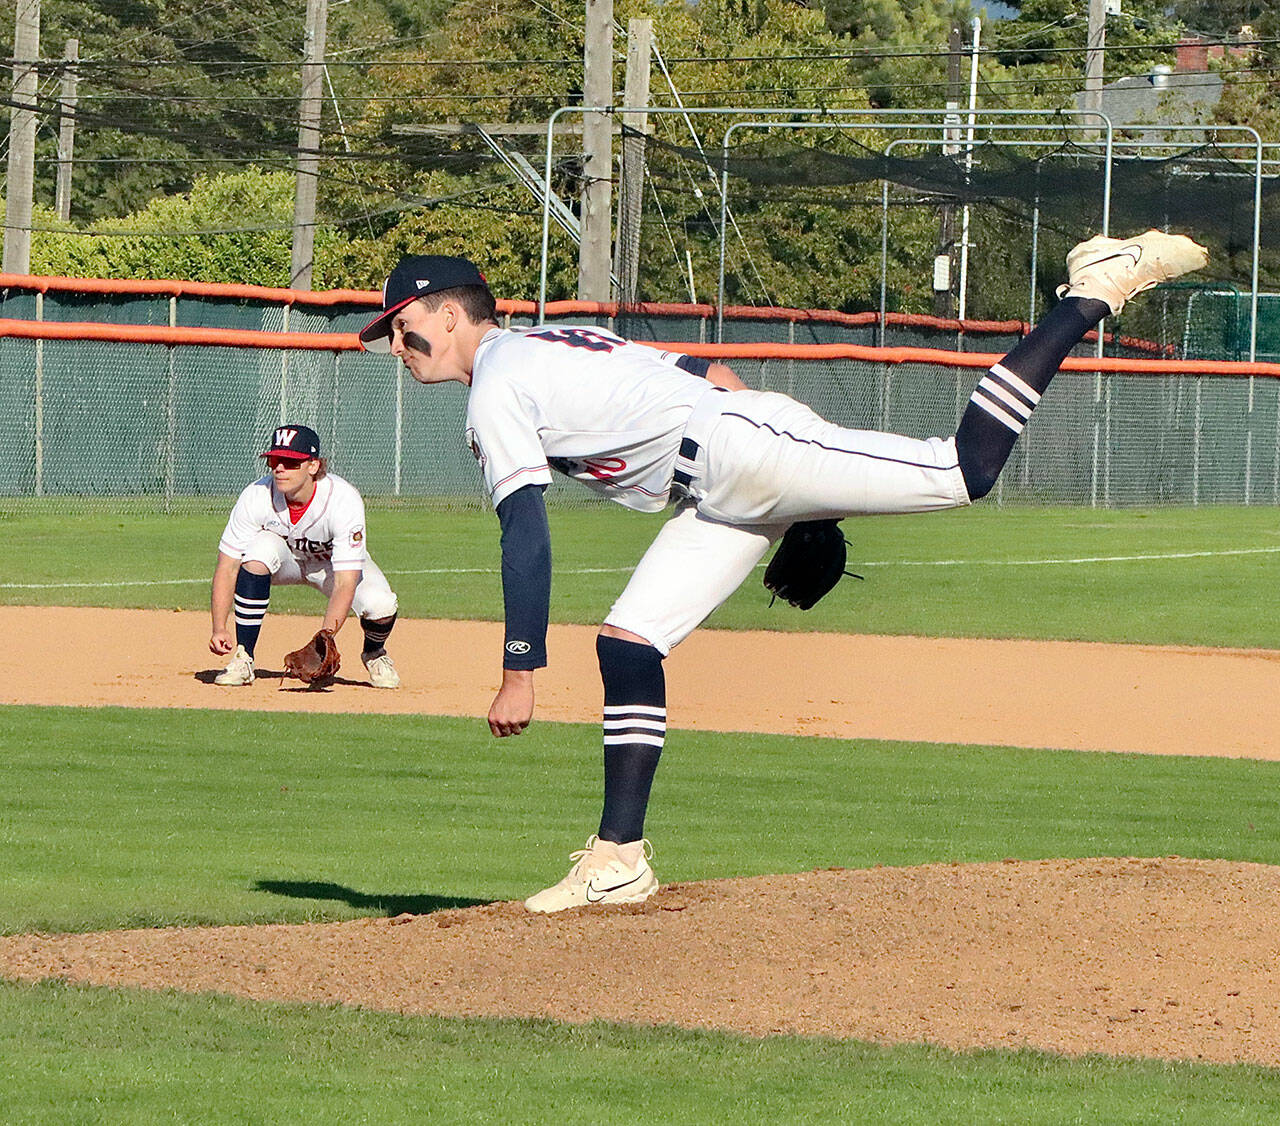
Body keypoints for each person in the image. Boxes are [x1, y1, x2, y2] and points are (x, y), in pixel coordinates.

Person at [358, 234, 1207, 913]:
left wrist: (519, 670)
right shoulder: (544, 345)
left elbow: (525, 528)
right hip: (725, 476)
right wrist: (805, 507)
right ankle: (619, 860)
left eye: (403, 326)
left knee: (962, 471)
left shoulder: (497, 385)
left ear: (448, 310)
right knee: (628, 644)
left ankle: (1091, 292)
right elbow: (703, 370)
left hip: (738, 450)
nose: (397, 345)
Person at [210, 423, 401, 689]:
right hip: (287, 560)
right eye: (275, 460)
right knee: (257, 553)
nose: (279, 468)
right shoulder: (256, 495)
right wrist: (219, 627)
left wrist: (324, 640)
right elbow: (227, 566)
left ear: (313, 466)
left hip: (332, 567)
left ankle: (374, 653)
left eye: (290, 462)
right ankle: (244, 656)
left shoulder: (342, 499)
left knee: (380, 604)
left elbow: (346, 582)